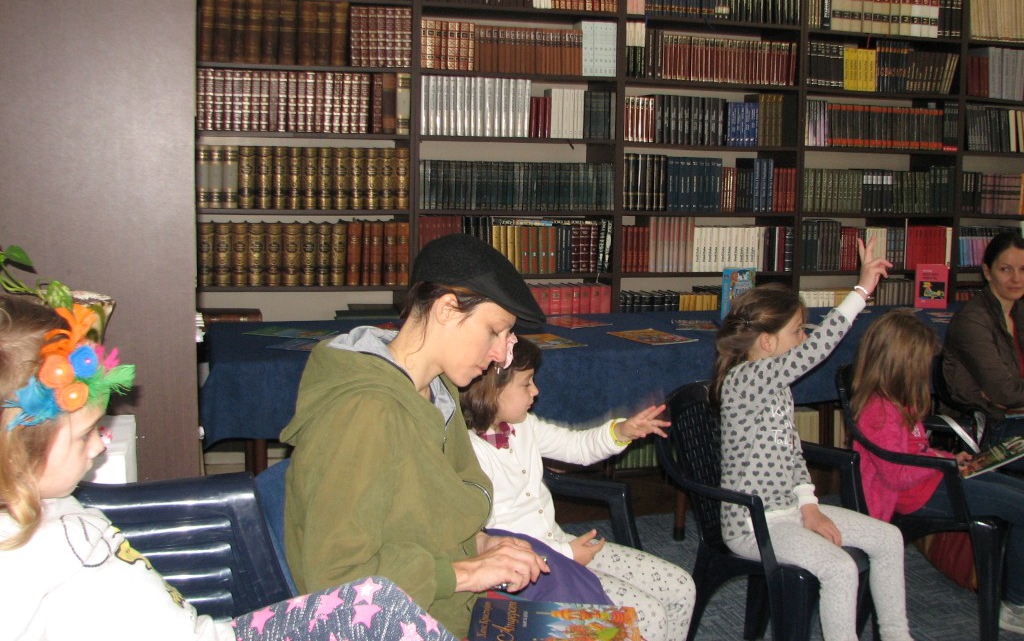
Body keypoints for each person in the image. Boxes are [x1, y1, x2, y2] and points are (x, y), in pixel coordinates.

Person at [0, 295, 457, 641]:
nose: (101, 444)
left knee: (376, 603)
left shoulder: (56, 506)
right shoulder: (29, 557)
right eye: (85, 434)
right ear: (20, 450)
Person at [280, 233, 553, 638]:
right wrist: (465, 573)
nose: (501, 356)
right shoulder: (366, 412)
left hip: (441, 610)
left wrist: (479, 544)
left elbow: (420, 515)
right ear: (446, 309)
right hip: (399, 624)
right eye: (494, 331)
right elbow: (337, 582)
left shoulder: (438, 391)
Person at [712, 237, 916, 641]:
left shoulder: (776, 386)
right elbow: (816, 351)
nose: (804, 338)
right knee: (839, 568)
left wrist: (810, 508)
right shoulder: (745, 380)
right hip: (754, 523)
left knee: (888, 538)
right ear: (767, 342)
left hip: (789, 510)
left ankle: (897, 634)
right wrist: (861, 290)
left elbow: (793, 454)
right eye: (798, 331)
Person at [461, 337, 696, 641]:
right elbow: (490, 539)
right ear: (492, 391)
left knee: (681, 588)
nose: (536, 391)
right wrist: (566, 554)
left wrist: (622, 431)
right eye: (527, 383)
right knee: (647, 614)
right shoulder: (468, 453)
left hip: (561, 548)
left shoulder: (522, 425)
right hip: (531, 573)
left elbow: (576, 446)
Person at [850, 307, 1024, 635]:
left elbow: (913, 453)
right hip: (919, 495)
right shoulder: (880, 413)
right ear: (901, 364)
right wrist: (943, 466)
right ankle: (1016, 604)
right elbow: (897, 474)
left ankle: (1016, 593)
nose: (925, 373)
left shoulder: (895, 400)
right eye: (922, 365)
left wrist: (947, 458)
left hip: (934, 481)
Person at [943, 230, 1024, 446]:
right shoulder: (972, 321)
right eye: (1006, 269)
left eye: (1023, 269)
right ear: (987, 272)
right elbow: (1004, 393)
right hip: (994, 426)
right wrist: (1008, 395)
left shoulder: (1020, 311)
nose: (1016, 278)